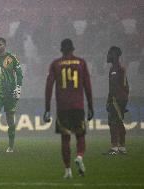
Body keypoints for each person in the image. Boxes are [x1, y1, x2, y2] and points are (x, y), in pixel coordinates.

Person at [44, 39, 94, 178]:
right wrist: (90, 106)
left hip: (63, 107)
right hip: (78, 106)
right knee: (80, 135)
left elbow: (49, 87)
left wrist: (47, 108)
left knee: (65, 139)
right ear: (73, 49)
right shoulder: (81, 63)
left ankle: (68, 171)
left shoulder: (55, 64)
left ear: (62, 50)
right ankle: (79, 156)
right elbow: (87, 85)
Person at [103, 46, 129, 155]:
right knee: (118, 121)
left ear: (114, 55)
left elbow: (116, 87)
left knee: (113, 121)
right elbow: (126, 86)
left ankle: (114, 147)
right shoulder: (118, 68)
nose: (108, 55)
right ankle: (122, 147)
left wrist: (111, 100)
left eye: (110, 53)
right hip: (119, 98)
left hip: (117, 99)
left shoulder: (116, 69)